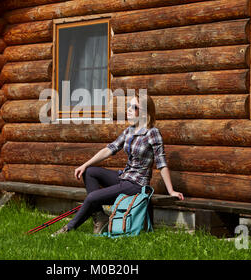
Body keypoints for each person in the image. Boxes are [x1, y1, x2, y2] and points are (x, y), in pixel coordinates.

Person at [51, 91, 184, 237]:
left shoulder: (152, 133)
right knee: (90, 172)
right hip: (124, 177)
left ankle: (68, 229)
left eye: (134, 107)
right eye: (128, 106)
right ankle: (100, 218)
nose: (128, 109)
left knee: (92, 197)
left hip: (136, 185)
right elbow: (110, 149)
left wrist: (171, 191)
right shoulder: (129, 131)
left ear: (145, 113)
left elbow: (161, 163)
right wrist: (84, 165)